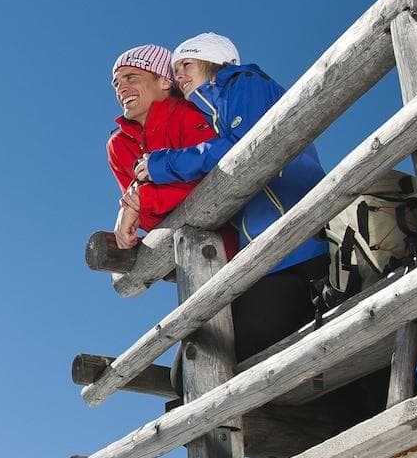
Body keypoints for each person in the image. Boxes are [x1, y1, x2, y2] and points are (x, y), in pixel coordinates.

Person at [132, 32, 329, 364]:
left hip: (295, 243)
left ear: (213, 61)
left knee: (235, 349)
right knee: (196, 360)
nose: (179, 77)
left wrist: (161, 164)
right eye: (175, 71)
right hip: (267, 251)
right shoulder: (215, 109)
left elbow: (240, 148)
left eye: (186, 65)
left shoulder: (244, 82)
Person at [104, 44, 221, 252]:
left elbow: (211, 174)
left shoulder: (192, 113)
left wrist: (142, 200)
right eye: (116, 83)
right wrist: (133, 206)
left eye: (131, 78)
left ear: (165, 81)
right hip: (181, 251)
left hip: (232, 238)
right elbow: (146, 218)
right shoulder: (118, 145)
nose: (121, 89)